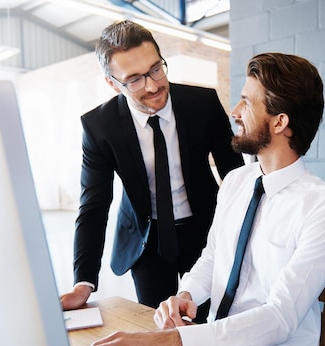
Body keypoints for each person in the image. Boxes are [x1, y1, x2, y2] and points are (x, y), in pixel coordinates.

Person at [75, 52, 325, 346]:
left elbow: (280, 317)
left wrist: (173, 343)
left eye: (247, 103)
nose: (234, 112)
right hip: (215, 344)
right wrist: (186, 294)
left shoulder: (324, 210)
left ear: (280, 122)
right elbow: (213, 257)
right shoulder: (236, 182)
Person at [60, 20, 244, 314]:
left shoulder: (203, 104)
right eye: (134, 79)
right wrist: (83, 281)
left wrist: (245, 237)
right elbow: (93, 207)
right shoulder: (99, 127)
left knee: (208, 322)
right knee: (156, 324)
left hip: (206, 233)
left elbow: (236, 177)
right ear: (112, 83)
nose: (153, 85)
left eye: (156, 69)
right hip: (146, 241)